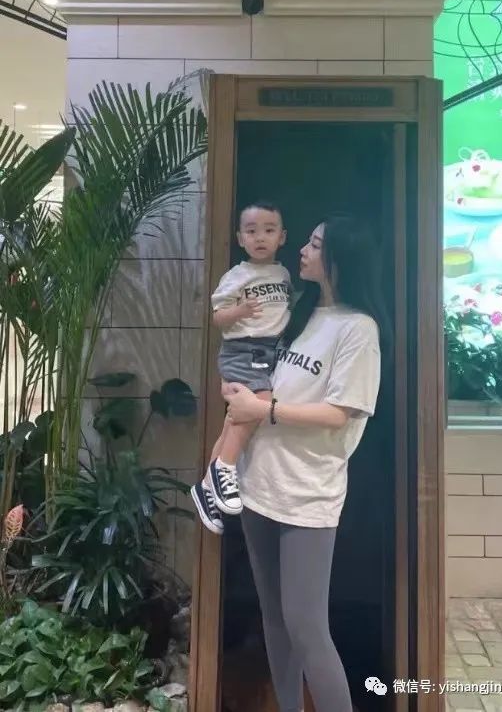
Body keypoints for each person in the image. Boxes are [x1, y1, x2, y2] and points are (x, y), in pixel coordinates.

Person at [221, 214, 385, 712]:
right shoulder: (301, 312)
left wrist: (263, 410)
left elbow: (340, 413)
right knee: (274, 618)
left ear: (338, 259)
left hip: (308, 495)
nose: (303, 251)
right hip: (259, 484)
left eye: (315, 245)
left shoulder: (358, 329)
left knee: (307, 626)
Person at [190, 200, 291, 535]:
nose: (260, 237)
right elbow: (218, 317)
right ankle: (225, 468)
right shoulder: (236, 276)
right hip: (243, 348)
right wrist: (240, 311)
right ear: (240, 238)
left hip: (270, 349)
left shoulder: (283, 274)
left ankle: (206, 488)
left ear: (282, 237)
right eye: (251, 231)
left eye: (269, 230)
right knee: (258, 403)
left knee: (235, 418)